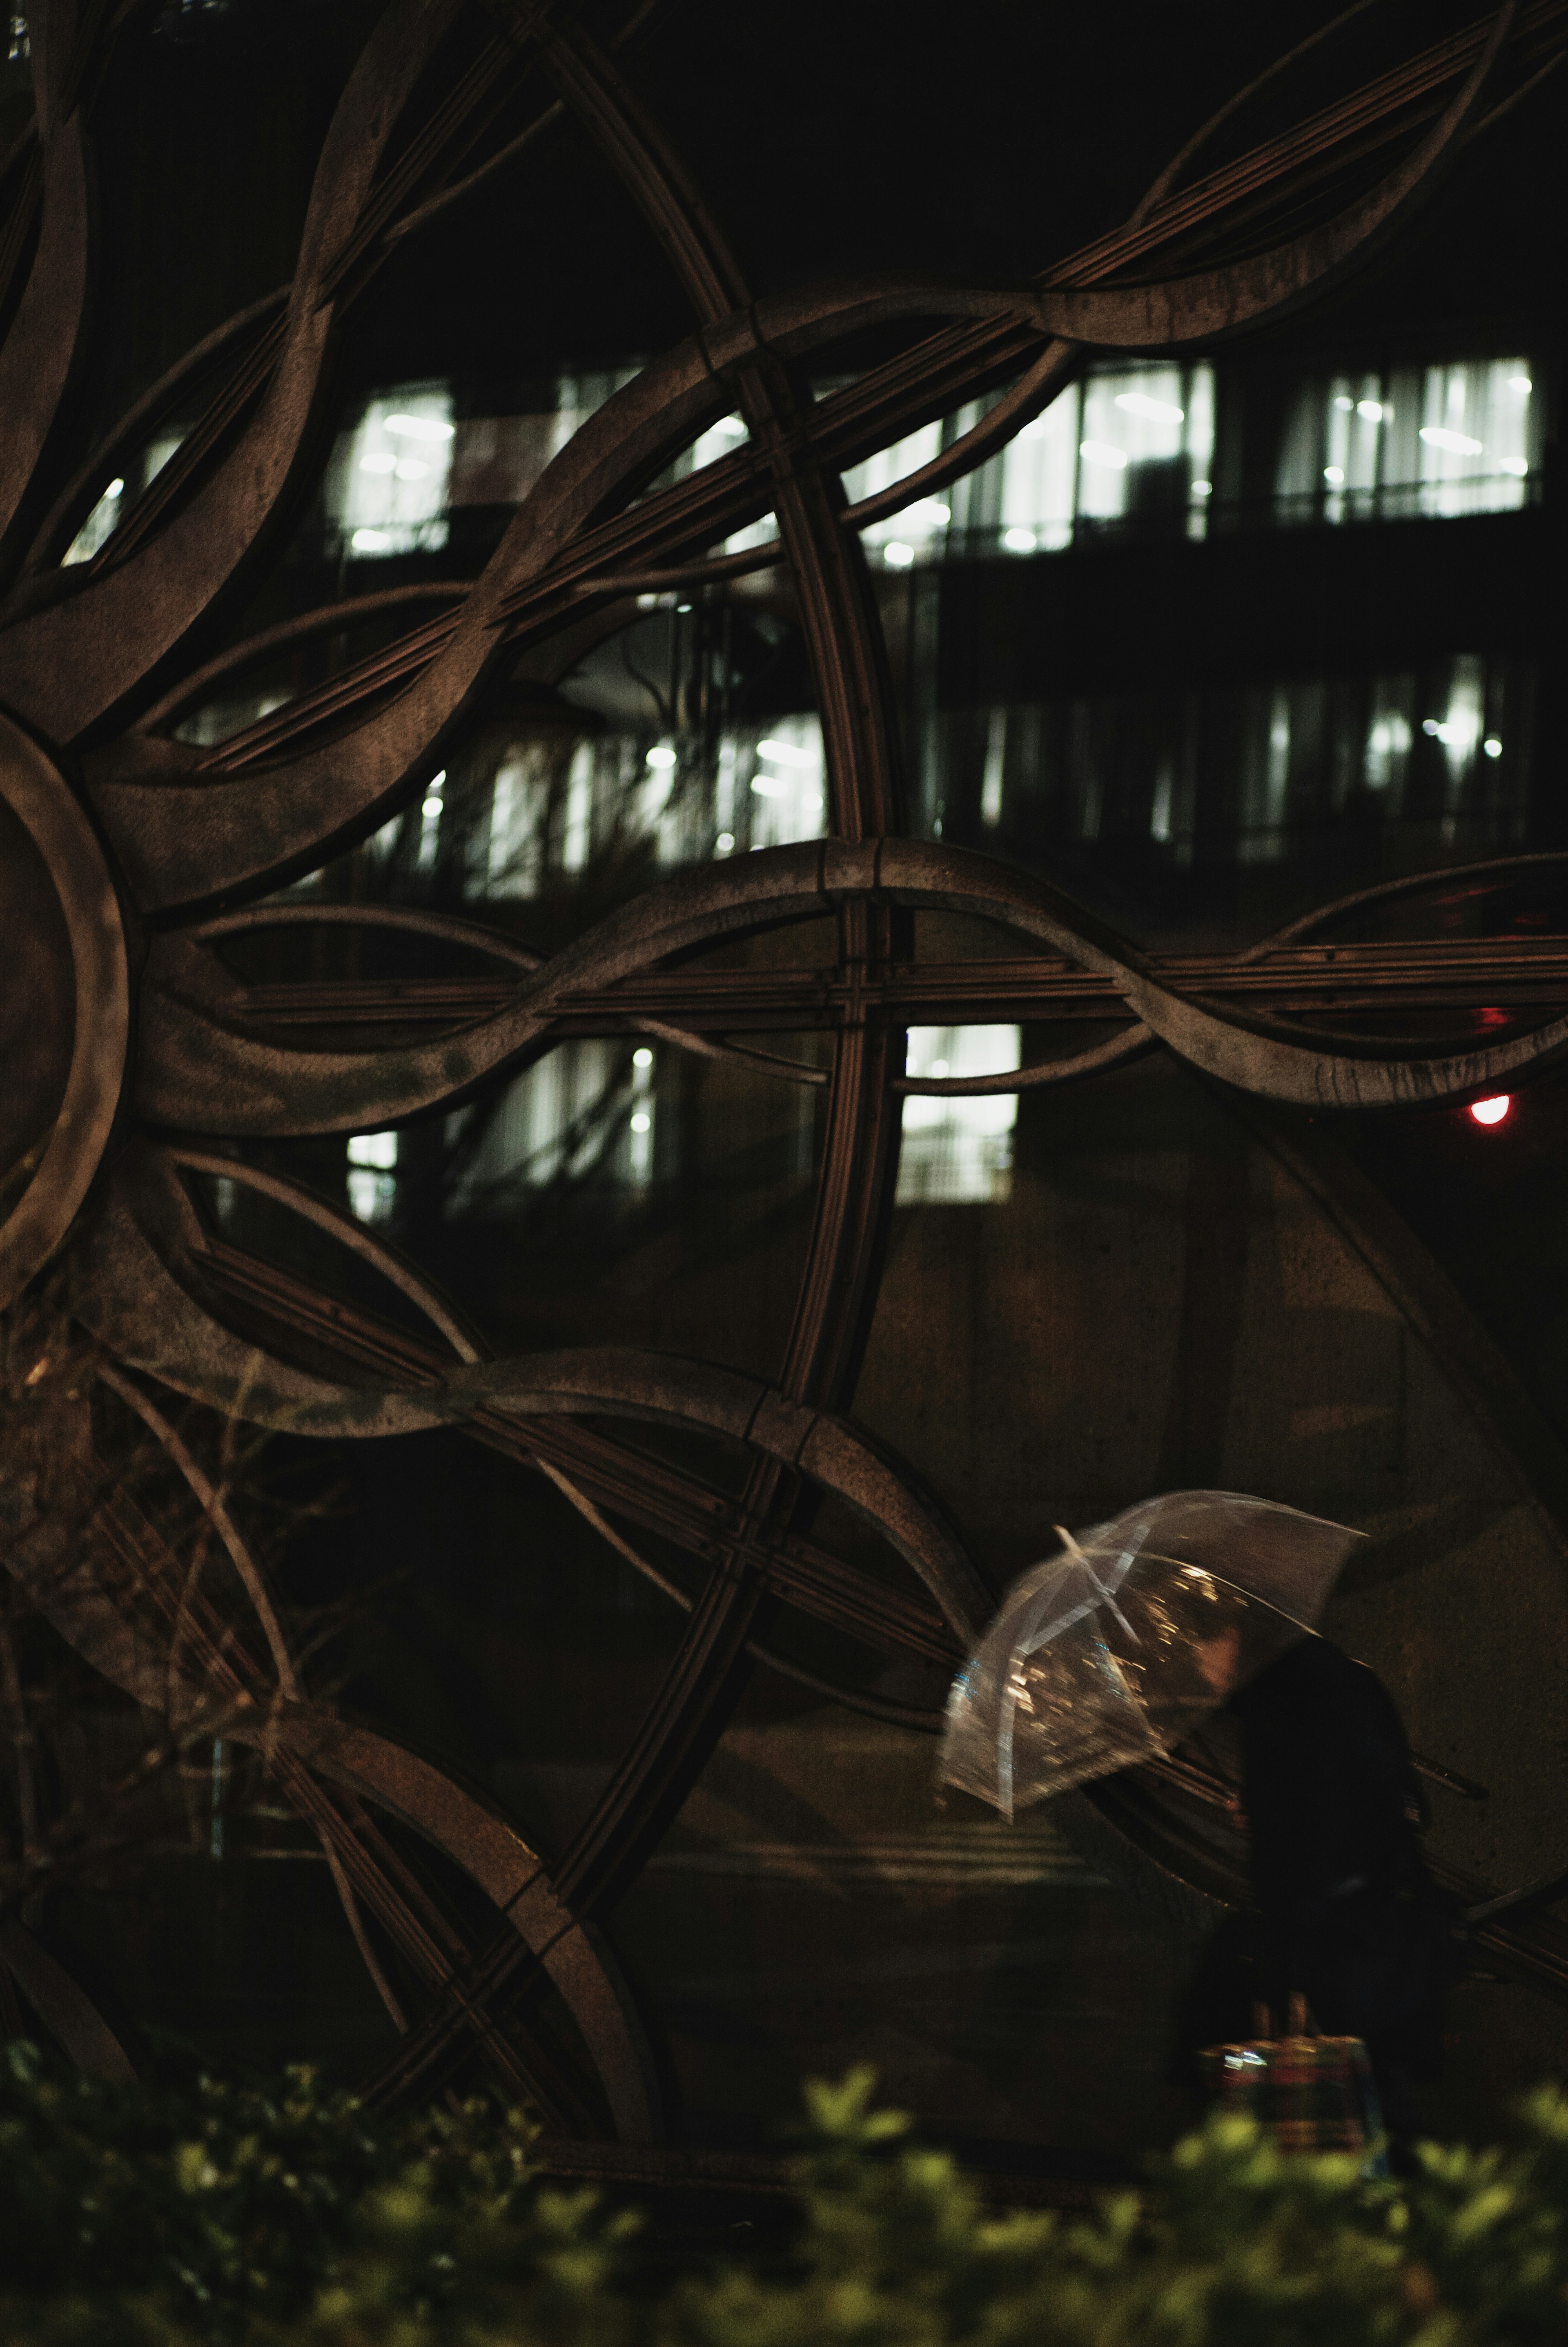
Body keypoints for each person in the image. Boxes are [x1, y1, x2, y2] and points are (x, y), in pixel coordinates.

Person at [1179, 1625, 1463, 2155]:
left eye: (1200, 1652)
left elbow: (1318, 1832)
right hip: (1380, 1940)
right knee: (1374, 2106)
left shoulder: (1281, 1701)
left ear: (1232, 1634)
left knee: (1348, 2114)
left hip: (1340, 1947)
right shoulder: (1327, 1675)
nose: (1200, 1669)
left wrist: (1267, 1815)